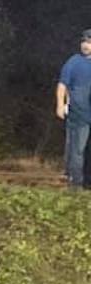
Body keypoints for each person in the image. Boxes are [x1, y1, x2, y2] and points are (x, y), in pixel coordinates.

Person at [57, 29, 91, 189]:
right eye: (84, 41)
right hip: (79, 114)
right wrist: (60, 104)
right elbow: (62, 84)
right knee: (76, 150)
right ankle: (75, 185)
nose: (85, 45)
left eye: (89, 42)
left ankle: (86, 182)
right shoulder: (74, 61)